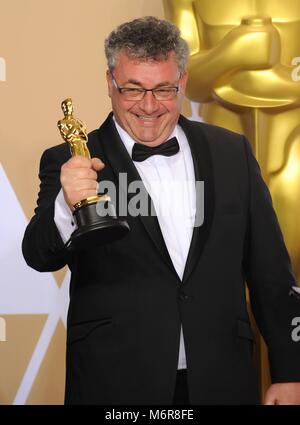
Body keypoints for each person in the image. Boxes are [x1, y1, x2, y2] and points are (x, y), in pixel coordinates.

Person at [22, 16, 300, 405]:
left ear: (183, 83)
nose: (149, 106)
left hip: (221, 377)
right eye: (133, 90)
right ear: (110, 84)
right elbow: (37, 255)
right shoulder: (72, 159)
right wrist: (66, 205)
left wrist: (291, 372)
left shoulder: (231, 152)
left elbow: (270, 269)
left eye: (164, 89)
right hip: (115, 381)